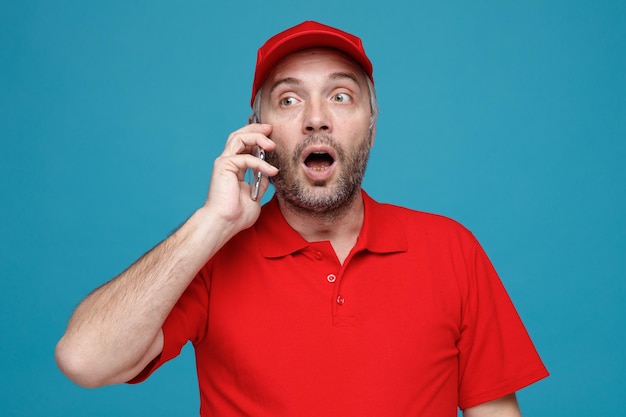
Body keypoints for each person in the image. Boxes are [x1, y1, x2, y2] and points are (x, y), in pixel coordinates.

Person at [55, 21, 548, 416]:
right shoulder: (211, 256)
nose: (316, 117)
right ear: (256, 132)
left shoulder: (450, 249)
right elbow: (84, 361)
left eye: (341, 96)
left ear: (371, 129)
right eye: (289, 100)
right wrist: (212, 222)